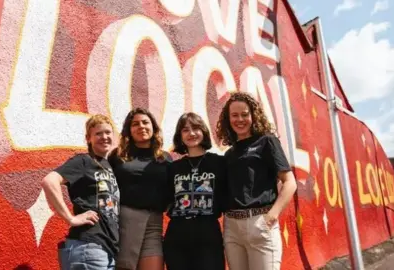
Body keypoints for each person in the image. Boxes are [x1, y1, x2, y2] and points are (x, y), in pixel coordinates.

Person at [216, 92, 297, 270]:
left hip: (260, 223)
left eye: (245, 114)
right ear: (228, 119)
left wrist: (271, 216)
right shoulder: (229, 153)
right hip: (232, 228)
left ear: (254, 115)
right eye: (234, 115)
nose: (240, 119)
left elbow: (290, 182)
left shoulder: (267, 142)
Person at [41, 114, 120, 270]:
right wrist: (71, 218)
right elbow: (49, 181)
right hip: (88, 248)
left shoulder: (110, 166)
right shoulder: (84, 161)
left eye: (108, 132)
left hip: (106, 250)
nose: (104, 137)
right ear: (88, 138)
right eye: (98, 133)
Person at [109, 108, 172, 270]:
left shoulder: (164, 158)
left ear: (154, 127)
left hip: (154, 222)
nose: (141, 126)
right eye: (135, 124)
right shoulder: (118, 156)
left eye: (145, 122)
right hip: (125, 221)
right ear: (129, 130)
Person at [163, 112, 226, 270]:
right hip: (178, 234)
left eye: (196, 128)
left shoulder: (219, 163)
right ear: (180, 135)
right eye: (185, 130)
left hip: (208, 232)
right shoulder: (173, 167)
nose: (191, 133)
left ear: (203, 131)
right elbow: (166, 198)